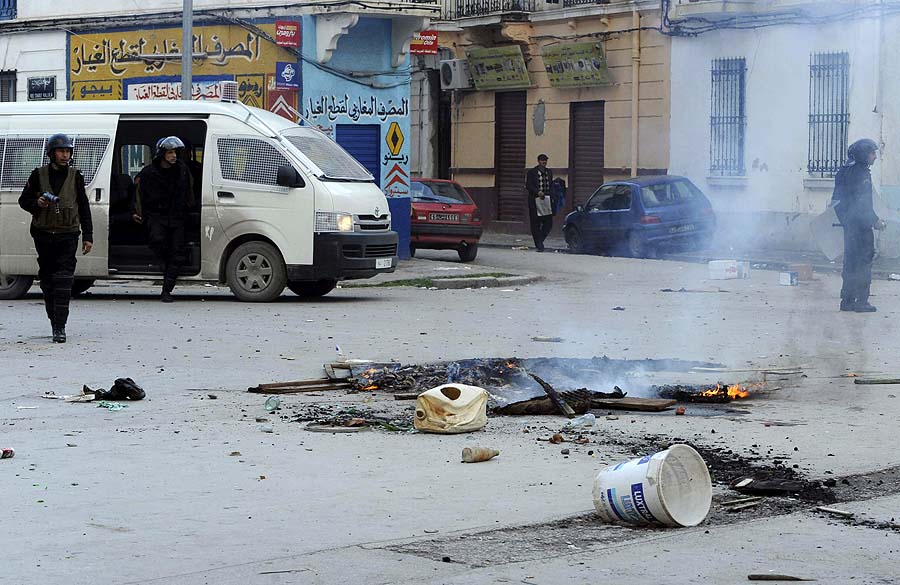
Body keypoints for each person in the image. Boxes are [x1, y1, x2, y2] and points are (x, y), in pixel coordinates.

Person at [18, 133, 93, 343]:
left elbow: (84, 207)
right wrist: (37, 204)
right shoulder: (37, 175)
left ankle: (60, 326)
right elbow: (23, 201)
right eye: (61, 151)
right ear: (51, 153)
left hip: (68, 235)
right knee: (48, 281)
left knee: (64, 281)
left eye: (68, 151)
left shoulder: (76, 176)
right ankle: (54, 319)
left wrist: (88, 235)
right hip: (43, 235)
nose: (65, 155)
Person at [133, 136, 194, 302]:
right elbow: (138, 193)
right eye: (170, 152)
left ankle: (166, 290)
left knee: (177, 253)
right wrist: (137, 212)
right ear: (162, 154)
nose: (173, 156)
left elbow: (189, 192)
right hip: (156, 216)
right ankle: (165, 263)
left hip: (177, 217)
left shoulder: (182, 170)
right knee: (157, 241)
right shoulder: (148, 172)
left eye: (175, 152)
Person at [832, 138, 886, 312]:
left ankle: (847, 301)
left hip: (849, 226)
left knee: (850, 262)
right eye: (872, 153)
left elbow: (836, 201)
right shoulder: (861, 173)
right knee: (864, 262)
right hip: (861, 227)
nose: (875, 157)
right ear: (864, 154)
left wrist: (846, 221)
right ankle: (861, 301)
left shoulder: (843, 171)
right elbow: (863, 204)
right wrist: (875, 220)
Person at [525, 153, 554, 252]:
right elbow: (528, 185)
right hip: (534, 201)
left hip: (546, 200)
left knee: (548, 223)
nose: (544, 162)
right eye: (542, 160)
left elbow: (551, 185)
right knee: (535, 224)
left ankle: (540, 240)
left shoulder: (549, 172)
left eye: (545, 160)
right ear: (538, 161)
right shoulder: (532, 172)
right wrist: (537, 192)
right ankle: (539, 245)